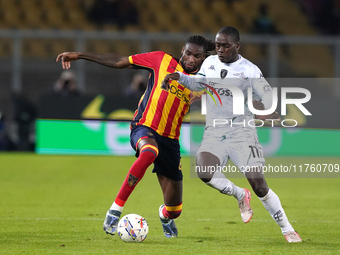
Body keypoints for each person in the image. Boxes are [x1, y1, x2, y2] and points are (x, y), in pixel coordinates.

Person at [56, 35, 215, 238]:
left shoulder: (201, 82)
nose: (190, 58)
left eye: (196, 56)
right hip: (144, 127)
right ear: (183, 49)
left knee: (175, 209)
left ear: (204, 58)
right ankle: (115, 210)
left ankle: (164, 216)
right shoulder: (161, 60)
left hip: (171, 141)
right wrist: (80, 55)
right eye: (188, 53)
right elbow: (120, 61)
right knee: (149, 152)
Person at [162, 26, 302, 243]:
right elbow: (196, 82)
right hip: (215, 132)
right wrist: (178, 76)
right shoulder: (209, 63)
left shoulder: (250, 70)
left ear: (237, 46)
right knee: (204, 171)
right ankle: (239, 195)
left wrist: (265, 109)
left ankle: (287, 229)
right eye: (217, 45)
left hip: (242, 134)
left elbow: (266, 94)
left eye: (225, 46)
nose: (220, 50)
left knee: (259, 185)